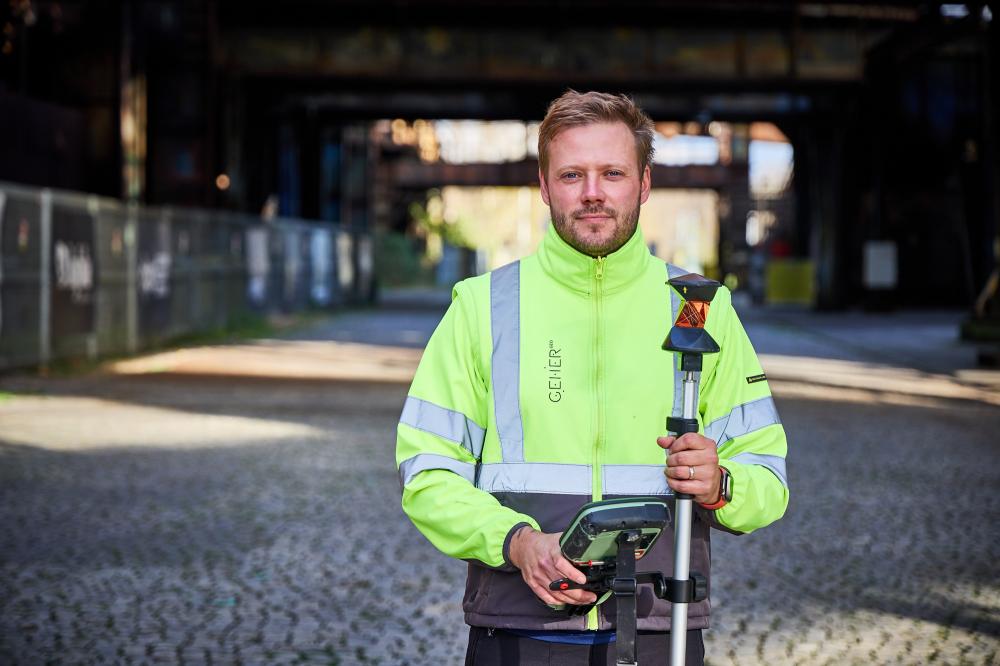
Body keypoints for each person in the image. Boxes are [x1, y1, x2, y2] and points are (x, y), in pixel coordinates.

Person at [396, 90, 789, 665]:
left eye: (613, 173)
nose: (592, 193)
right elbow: (426, 470)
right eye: (572, 174)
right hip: (520, 633)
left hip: (663, 629)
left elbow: (768, 474)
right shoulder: (481, 307)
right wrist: (517, 543)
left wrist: (721, 484)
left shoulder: (700, 308)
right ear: (544, 183)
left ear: (645, 183)